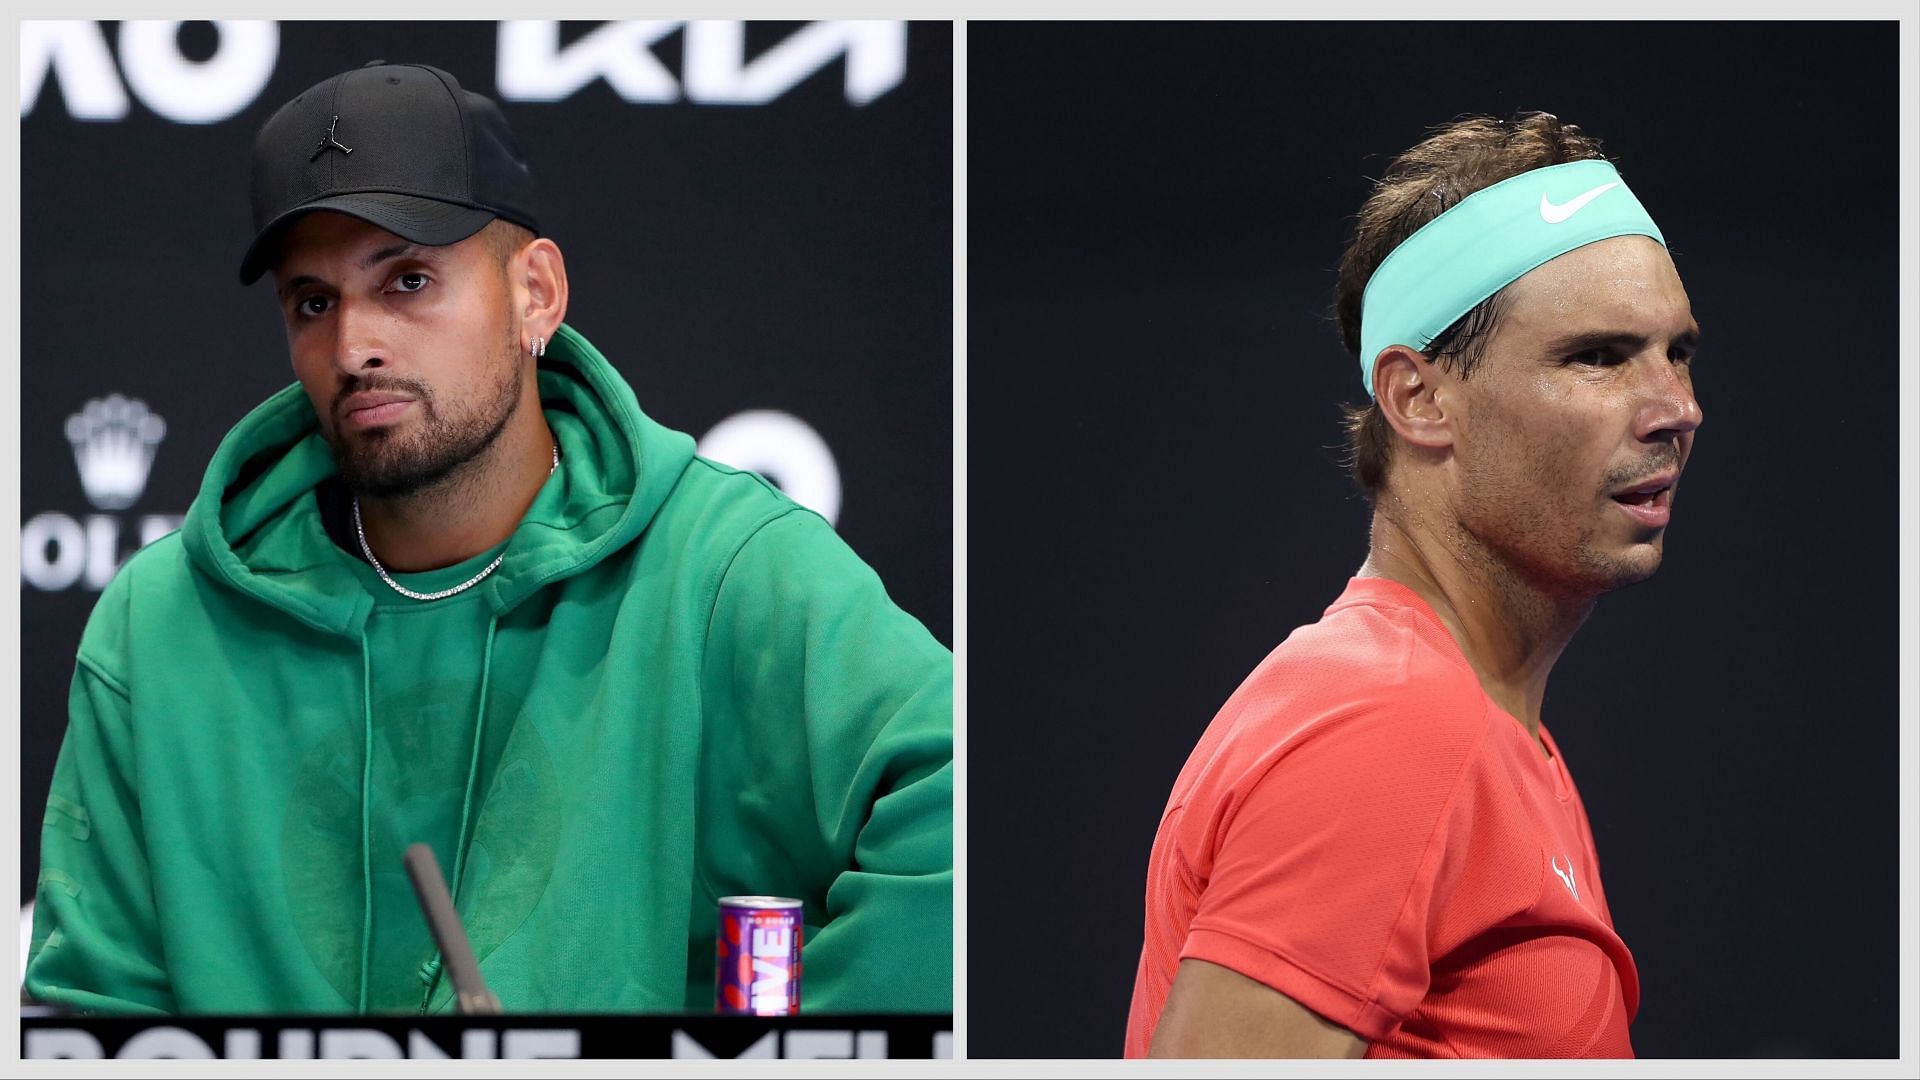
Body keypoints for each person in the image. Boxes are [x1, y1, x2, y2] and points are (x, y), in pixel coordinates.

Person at [25, 61, 952, 1016]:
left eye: (408, 280)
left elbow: (958, 810)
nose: (354, 348)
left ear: (536, 294)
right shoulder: (158, 628)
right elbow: (94, 1014)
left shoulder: (726, 571)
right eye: (314, 301)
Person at [1125, 112, 1702, 1058]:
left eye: (1676, 352)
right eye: (1596, 357)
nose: (1678, 408)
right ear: (1418, 399)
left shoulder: (1477, 725)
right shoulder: (1392, 726)